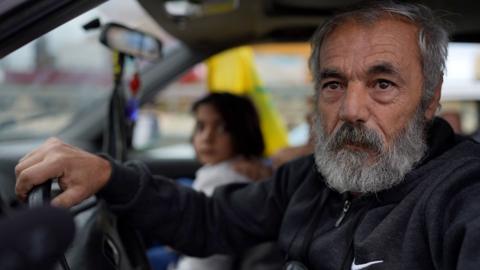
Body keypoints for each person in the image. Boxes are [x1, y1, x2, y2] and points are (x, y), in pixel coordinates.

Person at [15, 1, 480, 269]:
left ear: (431, 97)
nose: (351, 110)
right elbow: (209, 221)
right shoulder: (309, 180)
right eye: (334, 84)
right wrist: (108, 175)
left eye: (382, 84)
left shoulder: (462, 199)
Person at [169, 92, 267, 270]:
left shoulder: (224, 176)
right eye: (201, 126)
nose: (207, 137)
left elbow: (186, 236)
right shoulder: (232, 169)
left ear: (242, 133)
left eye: (222, 128)